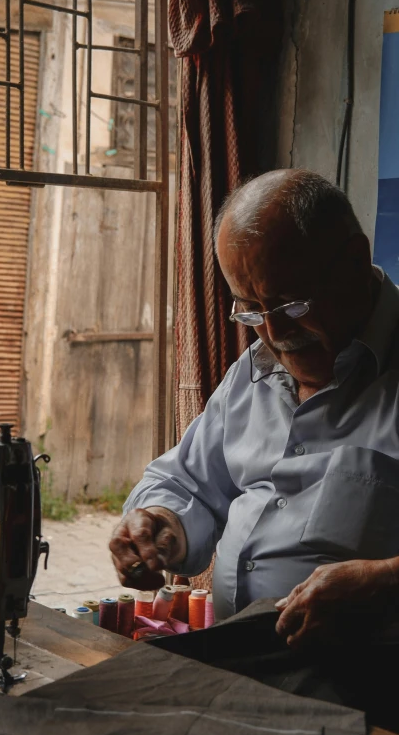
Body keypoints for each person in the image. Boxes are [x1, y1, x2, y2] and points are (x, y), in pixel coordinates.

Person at [109, 169, 399, 649]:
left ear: (355, 260)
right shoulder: (254, 370)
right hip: (240, 663)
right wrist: (162, 523)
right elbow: (190, 482)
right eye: (250, 308)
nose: (274, 331)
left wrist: (385, 582)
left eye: (292, 304)